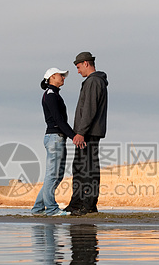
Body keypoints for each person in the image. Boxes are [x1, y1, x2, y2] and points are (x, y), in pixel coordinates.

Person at [64, 51, 108, 215]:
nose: (77, 71)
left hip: (88, 134)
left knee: (88, 169)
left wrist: (81, 132)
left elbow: (89, 109)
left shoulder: (94, 82)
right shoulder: (93, 82)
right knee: (79, 168)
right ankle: (76, 203)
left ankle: (88, 205)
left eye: (78, 67)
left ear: (86, 64)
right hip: (86, 133)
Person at [31, 67, 75, 216]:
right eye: (60, 75)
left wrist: (69, 135)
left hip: (58, 138)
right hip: (54, 138)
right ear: (51, 77)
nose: (63, 77)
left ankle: (38, 208)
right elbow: (58, 119)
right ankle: (51, 209)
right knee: (52, 175)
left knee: (57, 175)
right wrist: (74, 136)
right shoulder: (50, 95)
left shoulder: (54, 94)